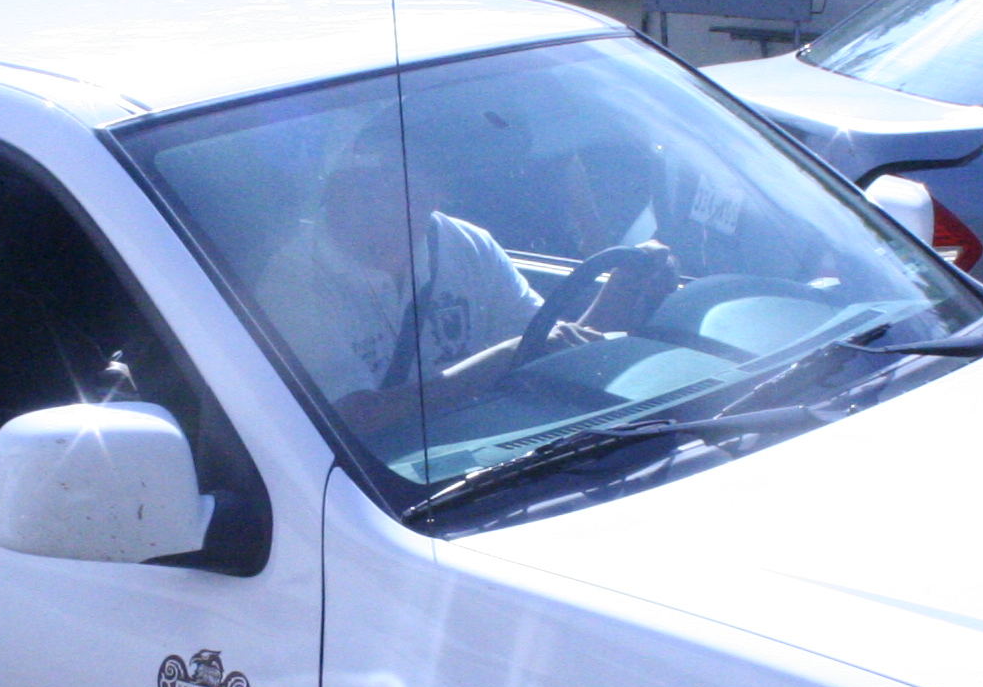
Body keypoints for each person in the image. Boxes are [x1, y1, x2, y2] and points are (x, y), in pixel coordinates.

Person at [256, 116, 671, 443]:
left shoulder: (464, 243)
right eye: (372, 179)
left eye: (408, 179)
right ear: (332, 190)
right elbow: (352, 420)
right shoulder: (293, 280)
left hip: (491, 452)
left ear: (438, 190)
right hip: (383, 483)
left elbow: (548, 351)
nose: (390, 195)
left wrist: (624, 289)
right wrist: (496, 362)